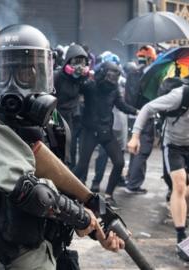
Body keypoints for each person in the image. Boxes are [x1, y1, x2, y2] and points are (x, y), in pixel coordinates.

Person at [0, 24, 123, 270]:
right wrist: (81, 218)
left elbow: (53, 173)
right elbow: (30, 192)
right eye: (8, 72)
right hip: (7, 253)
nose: (18, 83)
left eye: (27, 72)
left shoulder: (44, 121)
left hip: (43, 243)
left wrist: (97, 217)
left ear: (42, 71)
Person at [127, 64, 189, 261]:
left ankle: (176, 202)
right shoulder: (180, 95)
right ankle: (181, 238)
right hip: (174, 145)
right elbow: (148, 108)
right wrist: (135, 136)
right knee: (180, 186)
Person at [74, 61, 138, 207]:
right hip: (89, 131)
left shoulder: (114, 89)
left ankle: (108, 195)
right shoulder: (90, 86)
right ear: (102, 74)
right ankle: (67, 192)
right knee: (82, 165)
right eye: (110, 76)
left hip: (105, 131)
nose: (112, 80)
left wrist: (136, 111)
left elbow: (121, 105)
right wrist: (77, 75)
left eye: (115, 77)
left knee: (119, 162)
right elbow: (75, 89)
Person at [125, 45, 158, 194]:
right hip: (144, 117)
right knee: (143, 150)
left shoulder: (132, 72)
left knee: (134, 148)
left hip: (132, 114)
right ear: (150, 59)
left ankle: (130, 179)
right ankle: (134, 183)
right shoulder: (150, 76)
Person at [53, 44, 90, 167]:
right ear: (68, 62)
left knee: (72, 151)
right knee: (59, 150)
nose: (80, 67)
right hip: (58, 119)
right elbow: (48, 97)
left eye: (83, 63)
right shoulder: (57, 77)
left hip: (73, 119)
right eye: (76, 62)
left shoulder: (79, 80)